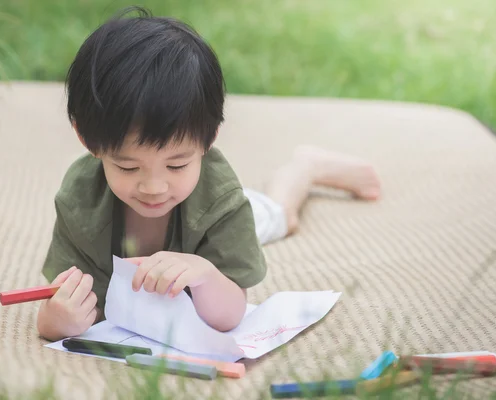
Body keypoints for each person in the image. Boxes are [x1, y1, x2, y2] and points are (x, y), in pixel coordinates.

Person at [36, 6, 381, 342]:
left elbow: (231, 314)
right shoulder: (80, 200)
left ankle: (306, 168)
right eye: (127, 166)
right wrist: (55, 319)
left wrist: (206, 277)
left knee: (278, 217)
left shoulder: (222, 201)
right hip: (190, 198)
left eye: (176, 164)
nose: (154, 187)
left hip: (210, 209)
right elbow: (66, 301)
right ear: (86, 140)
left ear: (210, 138)